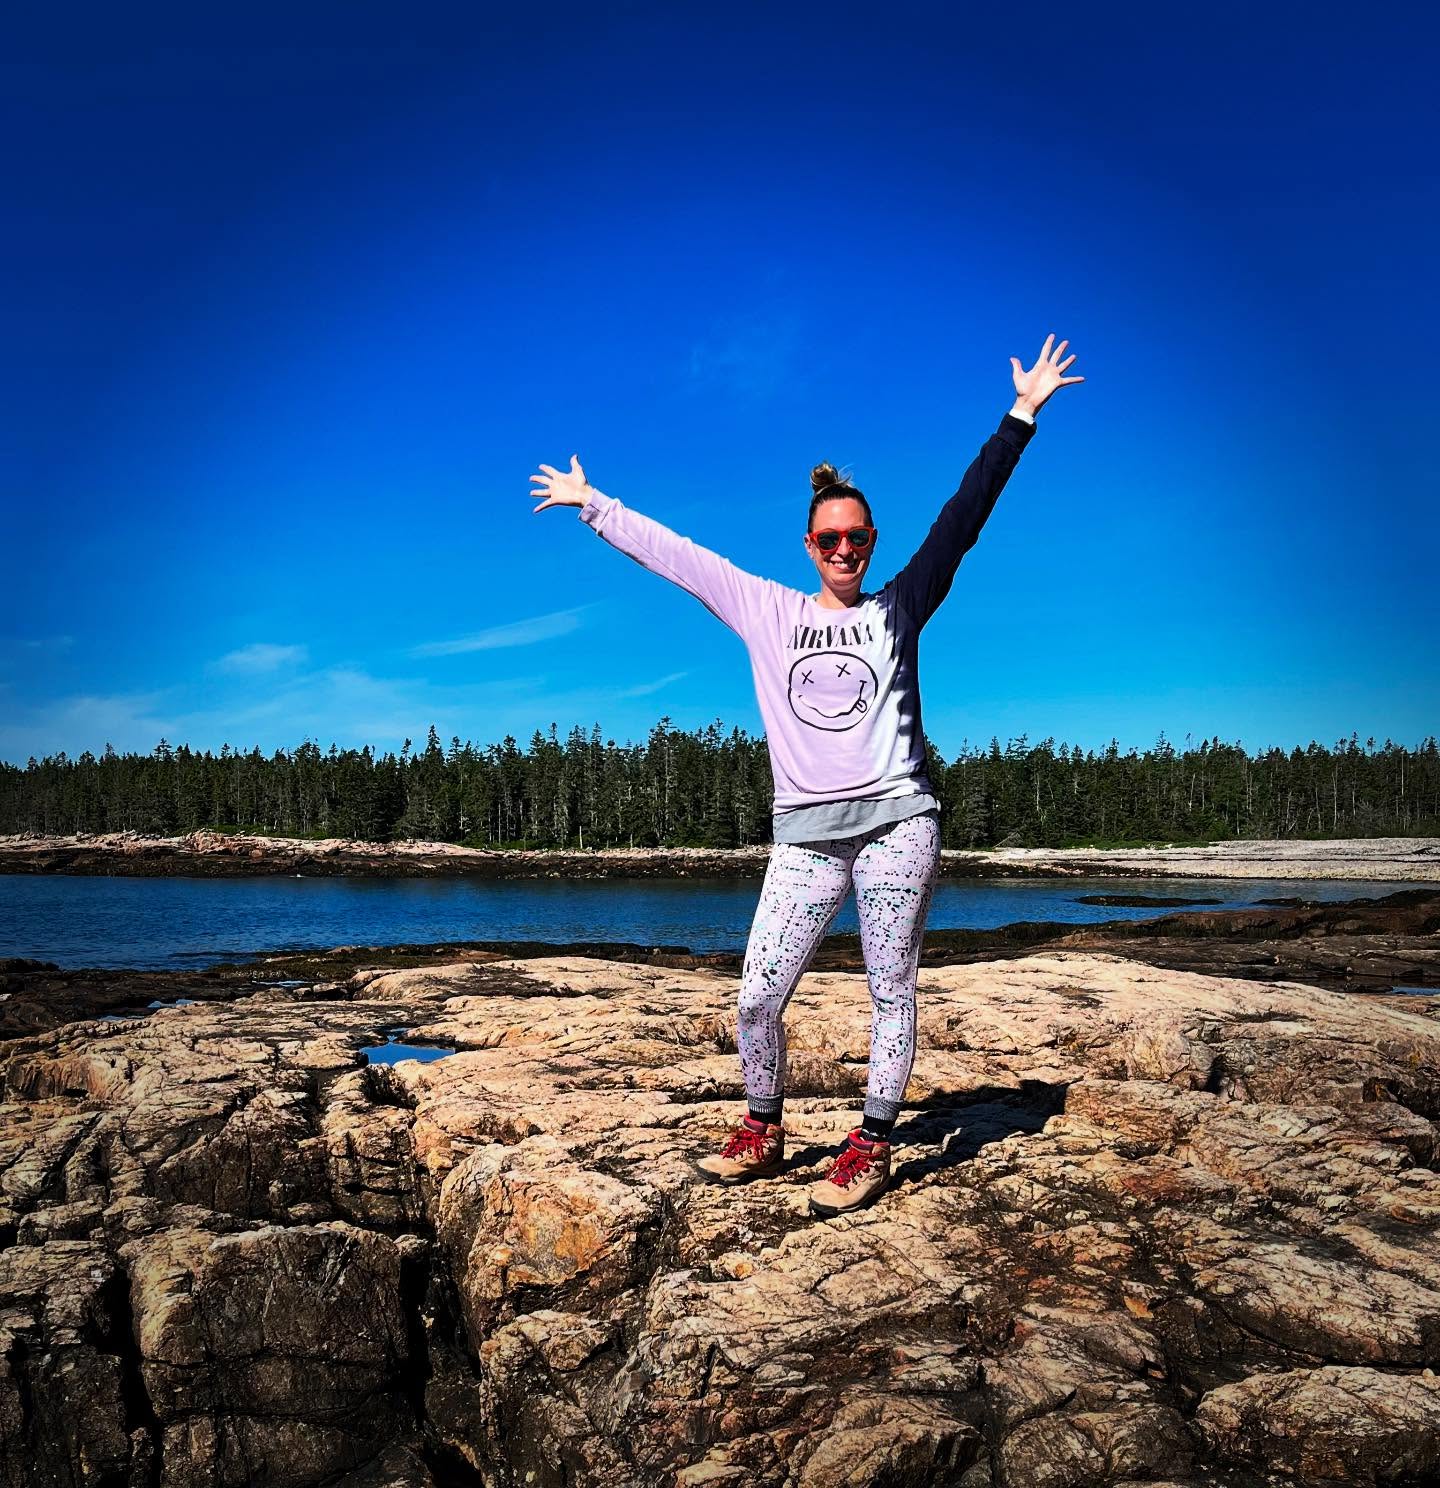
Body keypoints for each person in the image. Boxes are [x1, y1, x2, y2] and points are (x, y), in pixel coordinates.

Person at [529, 335, 1083, 1216]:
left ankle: (872, 1142)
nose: (845, 549)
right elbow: (678, 557)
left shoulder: (900, 605)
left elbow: (964, 519)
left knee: (890, 992)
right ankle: (764, 1127)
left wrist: (1019, 418)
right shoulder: (765, 610)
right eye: (831, 537)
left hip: (900, 822)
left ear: (871, 541)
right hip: (806, 835)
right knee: (756, 997)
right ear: (809, 542)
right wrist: (593, 503)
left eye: (858, 537)